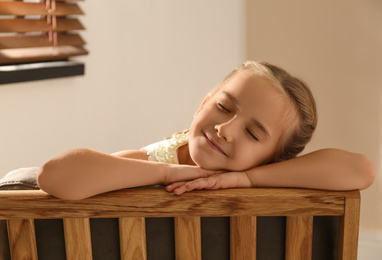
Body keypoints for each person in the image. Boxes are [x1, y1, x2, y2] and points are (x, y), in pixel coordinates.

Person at [37, 61, 376, 200]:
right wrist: (170, 171)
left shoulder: (267, 175)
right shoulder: (151, 162)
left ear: (274, 159)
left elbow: (362, 168)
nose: (225, 129)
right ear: (202, 104)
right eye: (224, 107)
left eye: (254, 134)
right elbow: (53, 175)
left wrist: (246, 179)